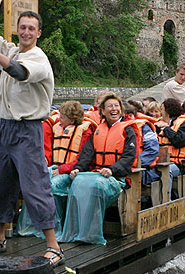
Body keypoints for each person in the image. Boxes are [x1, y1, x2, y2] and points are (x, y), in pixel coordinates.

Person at [0, 0, 63, 266]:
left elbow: (18, 71)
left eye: (31, 29)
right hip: (5, 128)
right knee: (1, 184)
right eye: (22, 27)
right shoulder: (10, 48)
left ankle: (53, 245)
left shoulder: (39, 58)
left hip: (28, 131)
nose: (25, 32)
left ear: (38, 33)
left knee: (34, 185)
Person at [57, 93, 138, 245]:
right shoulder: (97, 131)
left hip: (116, 178)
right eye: (110, 106)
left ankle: (91, 234)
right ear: (102, 111)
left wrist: (112, 169)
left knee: (95, 186)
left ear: (121, 109)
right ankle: (76, 231)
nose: (114, 109)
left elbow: (128, 158)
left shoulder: (129, 131)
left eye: (116, 106)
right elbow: (86, 156)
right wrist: (77, 169)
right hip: (96, 174)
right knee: (77, 182)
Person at [17, 101, 95, 238]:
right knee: (36, 183)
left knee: (51, 186)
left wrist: (62, 170)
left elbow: (83, 160)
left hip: (74, 172)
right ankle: (33, 225)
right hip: (57, 168)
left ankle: (54, 227)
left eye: (63, 117)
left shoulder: (85, 132)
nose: (59, 119)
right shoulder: (57, 128)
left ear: (72, 119)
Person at [154, 97, 185, 198]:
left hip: (178, 164)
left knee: (167, 170)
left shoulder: (183, 123)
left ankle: (167, 200)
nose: (160, 112)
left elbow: (180, 141)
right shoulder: (158, 124)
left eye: (162, 109)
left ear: (167, 110)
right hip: (159, 161)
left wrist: (166, 128)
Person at [124, 102, 159, 186]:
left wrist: (132, 163)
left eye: (130, 115)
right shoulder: (117, 128)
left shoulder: (145, 127)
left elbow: (152, 151)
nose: (128, 118)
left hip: (144, 169)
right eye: (125, 116)